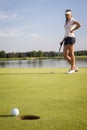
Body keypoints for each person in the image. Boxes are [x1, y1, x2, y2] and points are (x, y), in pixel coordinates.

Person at [60, 9, 81, 74]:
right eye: (66, 15)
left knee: (71, 53)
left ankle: (72, 69)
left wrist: (73, 29)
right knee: (65, 55)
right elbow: (66, 32)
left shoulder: (72, 20)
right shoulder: (66, 22)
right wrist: (62, 40)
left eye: (68, 14)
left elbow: (79, 25)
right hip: (66, 38)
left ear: (70, 14)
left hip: (71, 37)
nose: (66, 15)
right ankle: (74, 66)